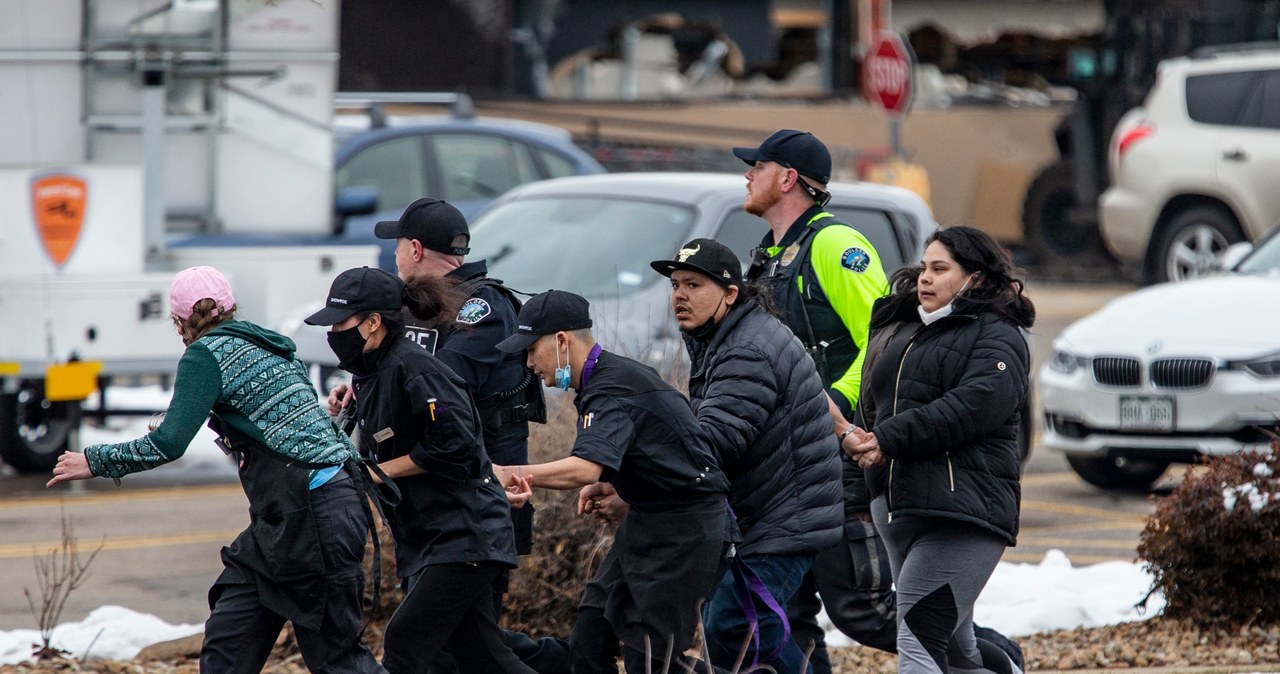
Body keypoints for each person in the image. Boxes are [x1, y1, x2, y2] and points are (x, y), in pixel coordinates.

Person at [47, 266, 386, 674]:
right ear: (228, 307)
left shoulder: (205, 354)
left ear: (180, 320)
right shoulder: (269, 346)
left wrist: (95, 460)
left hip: (313, 515)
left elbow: (169, 442)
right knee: (229, 643)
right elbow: (298, 432)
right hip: (297, 516)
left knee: (335, 659)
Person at [304, 266, 536, 674]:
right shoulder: (371, 373)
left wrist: (374, 473)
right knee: (483, 658)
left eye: (340, 323)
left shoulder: (416, 368)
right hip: (433, 537)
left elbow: (456, 444)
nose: (333, 333)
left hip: (465, 535)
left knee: (405, 644)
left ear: (373, 322)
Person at [492, 290, 736, 674]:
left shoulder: (613, 386)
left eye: (531, 350)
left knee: (650, 662)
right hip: (647, 519)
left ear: (561, 341)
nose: (528, 364)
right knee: (587, 645)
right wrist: (620, 485)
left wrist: (516, 473)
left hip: (688, 532)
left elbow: (585, 467)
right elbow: (646, 451)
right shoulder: (599, 381)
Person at [374, 197, 555, 674]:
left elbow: (444, 384)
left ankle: (572, 660)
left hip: (478, 506)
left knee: (449, 649)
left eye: (396, 245)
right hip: (433, 506)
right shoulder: (415, 306)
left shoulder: (482, 304)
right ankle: (570, 661)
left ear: (414, 248)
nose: (393, 255)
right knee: (470, 646)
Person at [843, 226, 1034, 674]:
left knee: (919, 638)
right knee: (955, 650)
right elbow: (872, 412)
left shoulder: (998, 335)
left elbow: (973, 406)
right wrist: (861, 488)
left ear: (976, 278)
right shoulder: (902, 327)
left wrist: (890, 440)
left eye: (940, 269)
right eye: (924, 267)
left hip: (961, 512)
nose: (925, 278)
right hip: (897, 507)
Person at [648, 238, 841, 674]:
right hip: (767, 513)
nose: (679, 295)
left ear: (730, 293)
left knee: (736, 628)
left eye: (694, 284)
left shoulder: (745, 349)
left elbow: (716, 439)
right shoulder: (726, 335)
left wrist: (640, 472)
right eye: (675, 284)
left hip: (784, 516)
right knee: (751, 629)